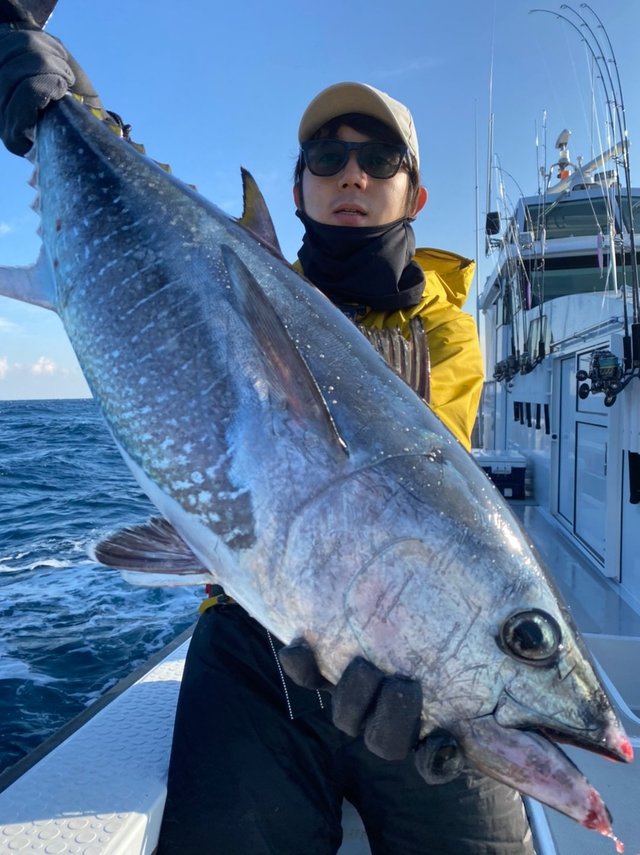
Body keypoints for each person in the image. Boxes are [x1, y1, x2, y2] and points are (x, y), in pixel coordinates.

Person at [0, 20, 535, 855]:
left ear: (415, 194)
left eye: (379, 158)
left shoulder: (445, 331)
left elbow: (428, 472)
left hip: (415, 662)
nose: (350, 173)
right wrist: (71, 108)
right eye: (326, 157)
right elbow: (154, 221)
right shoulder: (230, 273)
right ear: (295, 191)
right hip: (255, 635)